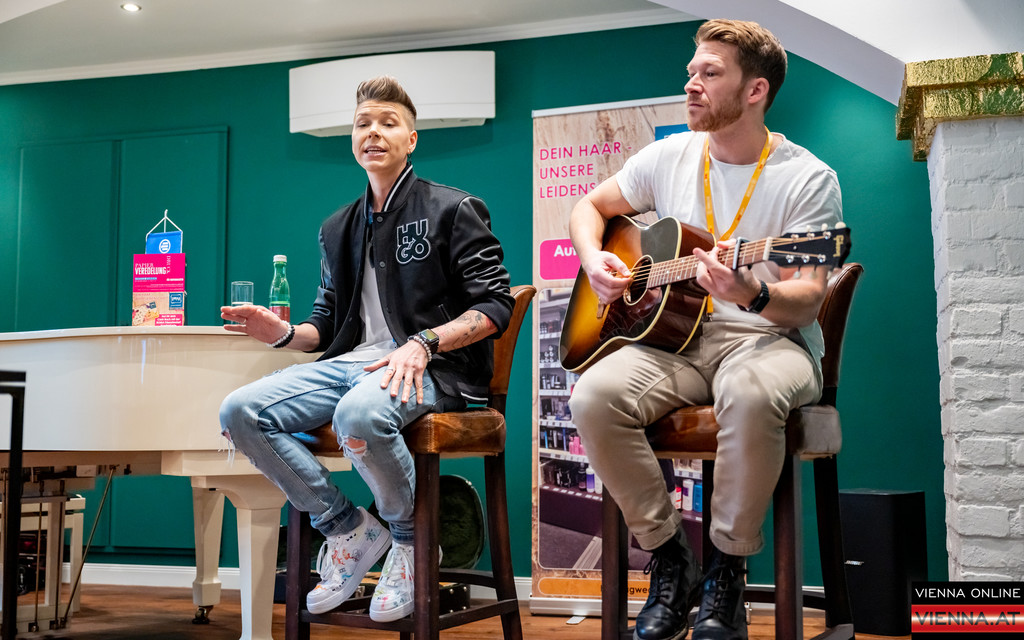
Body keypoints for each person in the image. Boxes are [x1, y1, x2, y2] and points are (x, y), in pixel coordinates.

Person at [567, 19, 842, 640]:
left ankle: (727, 570)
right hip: (677, 339)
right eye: (691, 72)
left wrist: (753, 291)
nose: (691, 84)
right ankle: (671, 557)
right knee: (593, 397)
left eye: (710, 73)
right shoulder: (668, 156)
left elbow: (806, 299)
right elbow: (589, 207)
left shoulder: (807, 178)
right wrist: (594, 258)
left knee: (748, 393)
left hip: (770, 339)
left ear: (755, 90)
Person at [219, 75, 513, 622]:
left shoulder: (454, 208)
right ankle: (347, 528)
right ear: (352, 139)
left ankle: (410, 540)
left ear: (411, 139)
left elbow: (495, 305)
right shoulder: (338, 227)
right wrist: (281, 333)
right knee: (240, 411)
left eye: (387, 123)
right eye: (362, 124)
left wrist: (423, 343)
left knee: (358, 415)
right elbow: (326, 325)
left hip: (434, 368)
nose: (373, 132)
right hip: (353, 364)